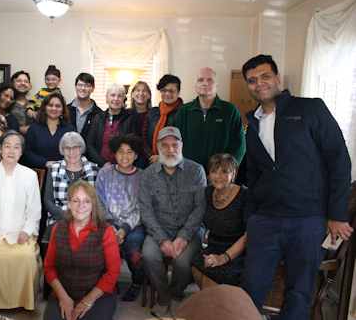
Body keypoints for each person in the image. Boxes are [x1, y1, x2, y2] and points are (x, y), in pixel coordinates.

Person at [239, 54, 353, 319]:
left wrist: (337, 215)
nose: (260, 84)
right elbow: (254, 175)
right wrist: (251, 218)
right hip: (265, 220)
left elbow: (339, 160)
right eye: (252, 80)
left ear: (278, 79)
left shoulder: (310, 109)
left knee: (299, 292)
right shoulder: (252, 125)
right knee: (250, 288)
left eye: (265, 76)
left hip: (307, 220)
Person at [138, 126, 206, 317]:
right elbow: (146, 211)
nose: (170, 149)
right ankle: (164, 296)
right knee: (149, 256)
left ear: (181, 146)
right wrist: (162, 239)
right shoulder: (148, 174)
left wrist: (183, 237)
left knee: (184, 262)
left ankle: (177, 295)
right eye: (165, 145)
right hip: (159, 228)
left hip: (190, 230)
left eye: (174, 145)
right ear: (158, 147)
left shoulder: (196, 170)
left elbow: (201, 208)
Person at [0, 130, 42, 312]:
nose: (11, 151)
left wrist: (27, 230)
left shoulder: (30, 176)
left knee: (27, 257)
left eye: (16, 147)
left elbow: (35, 210)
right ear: (0, 149)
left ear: (21, 152)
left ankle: (24, 302)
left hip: (20, 232)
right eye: (7, 146)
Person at [43, 181, 121, 320]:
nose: (81, 206)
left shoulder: (106, 231)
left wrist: (88, 300)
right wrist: (63, 297)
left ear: (93, 205)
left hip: (98, 295)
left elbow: (113, 272)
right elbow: (49, 267)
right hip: (63, 292)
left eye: (86, 201)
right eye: (75, 200)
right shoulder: (58, 229)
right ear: (69, 204)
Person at [95, 134, 145, 302]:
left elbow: (142, 208)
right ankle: (110, 281)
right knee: (103, 248)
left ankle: (137, 283)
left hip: (134, 225)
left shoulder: (143, 176)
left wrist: (124, 229)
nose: (125, 156)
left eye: (129, 152)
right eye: (120, 151)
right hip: (108, 222)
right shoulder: (104, 173)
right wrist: (111, 226)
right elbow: (99, 201)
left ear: (136, 155)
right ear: (114, 154)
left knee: (134, 252)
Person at [172, 67, 245, 172]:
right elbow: (173, 141)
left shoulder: (230, 111)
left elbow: (239, 146)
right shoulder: (184, 111)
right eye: (200, 80)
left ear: (217, 86)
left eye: (210, 80)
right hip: (188, 173)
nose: (205, 83)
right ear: (196, 86)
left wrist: (227, 170)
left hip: (220, 176)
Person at [191, 154, 247, 289]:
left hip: (236, 253)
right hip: (214, 246)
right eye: (214, 171)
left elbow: (249, 235)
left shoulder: (244, 196)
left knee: (210, 280)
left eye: (224, 171)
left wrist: (224, 257)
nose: (217, 176)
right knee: (197, 265)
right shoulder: (208, 193)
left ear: (233, 174)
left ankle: (212, 307)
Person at [42, 131, 99, 242]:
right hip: (58, 219)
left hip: (87, 219)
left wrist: (82, 218)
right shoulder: (54, 169)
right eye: (67, 148)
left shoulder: (93, 170)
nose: (71, 152)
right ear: (62, 150)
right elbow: (47, 200)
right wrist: (68, 217)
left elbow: (97, 201)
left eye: (75, 147)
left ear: (81, 148)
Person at [85, 83, 139, 167]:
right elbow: (89, 143)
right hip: (99, 167)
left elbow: (134, 145)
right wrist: (102, 163)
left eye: (120, 96)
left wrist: (119, 165)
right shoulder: (98, 118)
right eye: (112, 95)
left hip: (123, 167)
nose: (116, 99)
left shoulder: (130, 119)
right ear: (107, 97)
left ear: (124, 99)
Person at [23, 91, 76, 169]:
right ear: (44, 107)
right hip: (38, 173)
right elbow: (27, 152)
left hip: (64, 172)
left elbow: (77, 152)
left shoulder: (70, 130)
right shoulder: (34, 128)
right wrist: (45, 163)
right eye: (50, 105)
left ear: (62, 109)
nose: (54, 108)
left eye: (58, 106)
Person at [141, 75, 183, 166]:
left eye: (172, 90)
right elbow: (142, 139)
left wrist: (162, 157)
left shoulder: (184, 113)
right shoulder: (152, 112)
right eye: (164, 90)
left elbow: (186, 142)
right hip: (151, 163)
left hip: (175, 164)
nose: (167, 94)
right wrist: (151, 156)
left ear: (178, 92)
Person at [67, 73, 103, 139]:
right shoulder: (66, 110)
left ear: (93, 89)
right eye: (80, 85)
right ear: (76, 87)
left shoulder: (99, 114)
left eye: (87, 85)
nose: (83, 88)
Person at [128, 81, 152, 168]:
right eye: (138, 90)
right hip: (131, 156)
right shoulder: (126, 114)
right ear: (132, 94)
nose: (141, 93)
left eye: (144, 91)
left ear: (149, 95)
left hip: (150, 156)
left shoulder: (154, 114)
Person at [11, 70, 33, 134]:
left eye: (26, 81)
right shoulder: (7, 103)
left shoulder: (33, 104)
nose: (23, 83)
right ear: (12, 83)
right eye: (19, 81)